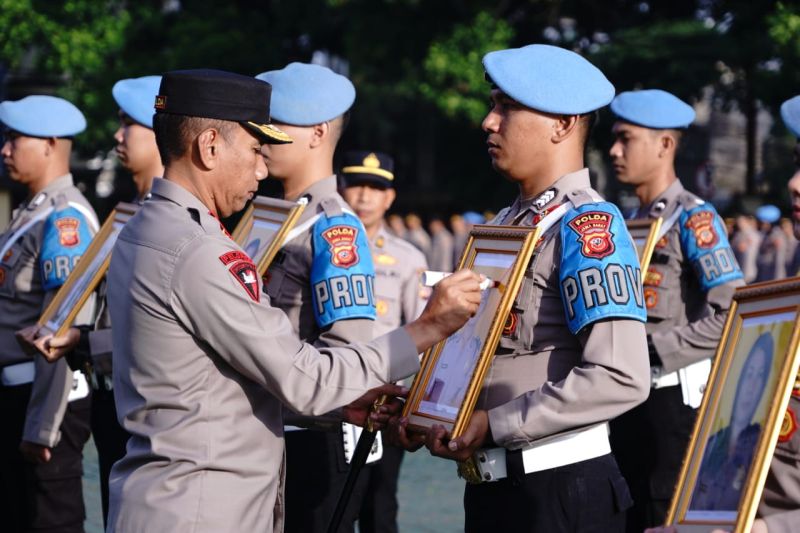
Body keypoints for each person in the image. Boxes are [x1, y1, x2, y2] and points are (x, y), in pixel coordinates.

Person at [104, 68, 481, 533]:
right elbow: (305, 379)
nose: (261, 168)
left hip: (173, 489)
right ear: (209, 147)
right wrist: (428, 328)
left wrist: (338, 404)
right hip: (204, 504)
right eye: (254, 149)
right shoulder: (200, 248)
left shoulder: (145, 229)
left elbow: (210, 380)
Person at [391, 43, 650, 533]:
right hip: (493, 487)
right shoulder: (506, 225)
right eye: (493, 105)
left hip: (557, 490)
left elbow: (621, 375)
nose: (489, 122)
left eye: (507, 107)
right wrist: (423, 406)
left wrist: (494, 424)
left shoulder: (587, 225)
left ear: (563, 123)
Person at [18, 75, 163, 525]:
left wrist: (81, 342)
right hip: (107, 395)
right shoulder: (125, 214)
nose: (118, 137)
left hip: (146, 402)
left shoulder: (167, 222)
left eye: (129, 124)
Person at [255, 62, 386, 533]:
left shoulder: (334, 228)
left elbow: (346, 352)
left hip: (309, 439)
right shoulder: (270, 216)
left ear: (317, 132)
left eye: (276, 125)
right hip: (265, 433)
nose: (261, 137)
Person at [606, 89, 745, 531]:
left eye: (626, 139)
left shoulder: (694, 219)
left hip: (670, 405)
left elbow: (732, 315)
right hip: (624, 396)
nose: (613, 150)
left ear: (665, 145)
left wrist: (652, 348)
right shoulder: (628, 222)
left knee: (661, 513)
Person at [0, 95, 99, 532]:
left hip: (39, 401)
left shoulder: (65, 220)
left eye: (14, 138)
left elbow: (60, 330)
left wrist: (42, 427)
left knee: (48, 522)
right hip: (17, 397)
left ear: (49, 144)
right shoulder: (33, 212)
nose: (4, 149)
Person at [339, 149, 428, 533]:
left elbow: (424, 331)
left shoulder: (408, 259)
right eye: (357, 184)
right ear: (341, 187)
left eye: (375, 188)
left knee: (379, 503)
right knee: (332, 505)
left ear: (389, 198)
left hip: (384, 401)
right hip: (332, 393)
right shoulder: (318, 247)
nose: (364, 196)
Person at [754, 204, 787, 282]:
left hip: (773, 278)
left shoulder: (778, 236)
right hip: (763, 276)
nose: (760, 225)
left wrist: (778, 280)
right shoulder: (764, 235)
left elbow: (779, 260)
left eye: (762, 222)